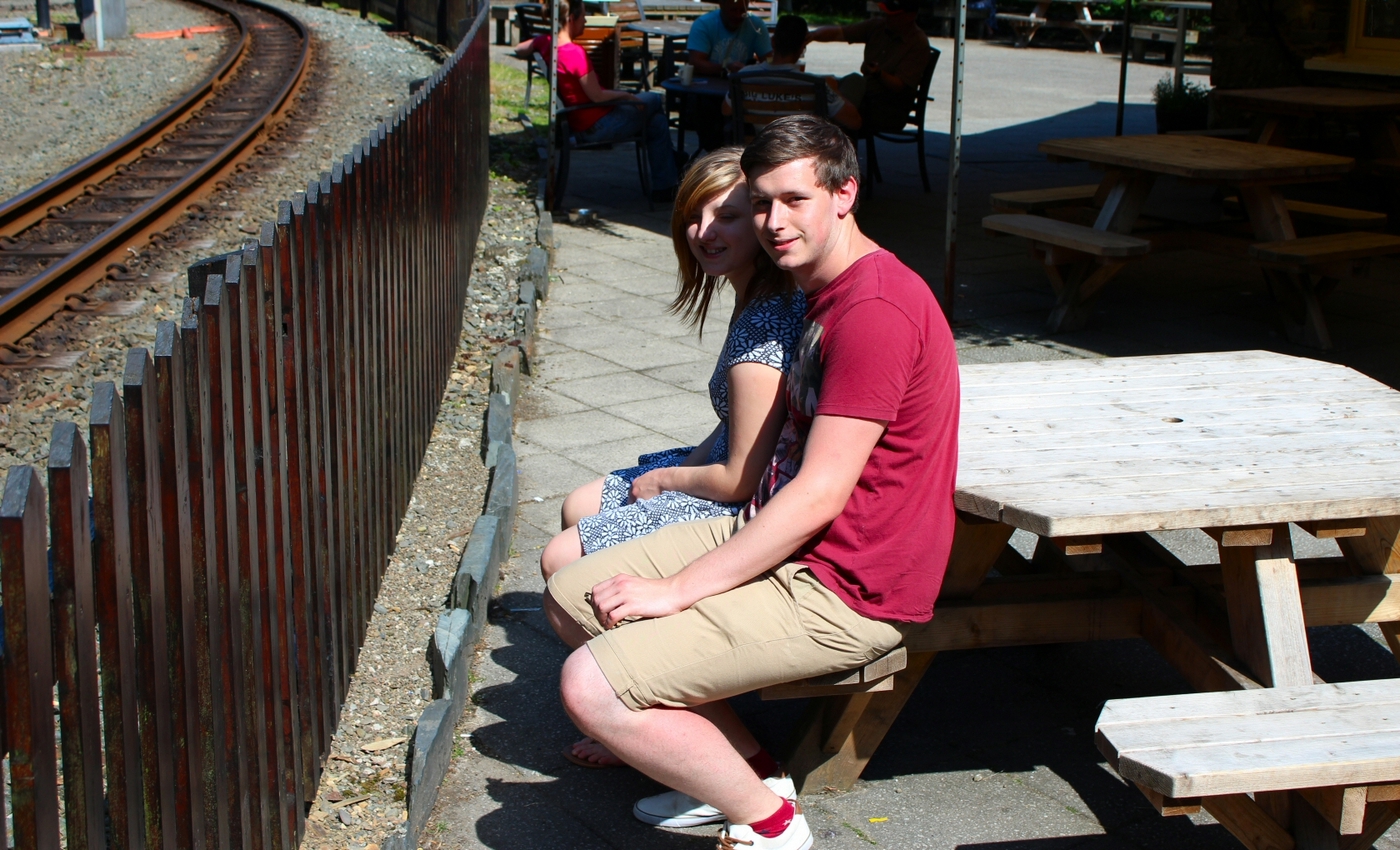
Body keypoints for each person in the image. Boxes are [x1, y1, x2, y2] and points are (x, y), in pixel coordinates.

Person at [544, 115, 959, 849]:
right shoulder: (823, 289)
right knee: (571, 592)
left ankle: (771, 827)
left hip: (846, 583)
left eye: (794, 200)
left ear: (844, 194)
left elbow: (821, 493)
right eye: (762, 202)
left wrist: (679, 589)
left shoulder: (873, 311)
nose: (773, 222)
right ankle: (751, 771)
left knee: (590, 684)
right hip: (790, 538)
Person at [542, 146, 806, 768]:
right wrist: (676, 465)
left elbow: (740, 475)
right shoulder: (754, 294)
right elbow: (737, 432)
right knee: (579, 504)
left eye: (729, 216)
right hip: (729, 465)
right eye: (694, 215)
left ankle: (679, 722)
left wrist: (664, 477)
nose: (704, 232)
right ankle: (642, 697)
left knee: (561, 559)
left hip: (747, 492)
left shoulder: (765, 321)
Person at [514, 0, 678, 201]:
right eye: (583, 16)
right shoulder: (575, 54)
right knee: (654, 99)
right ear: (571, 19)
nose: (586, 21)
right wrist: (626, 95)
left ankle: (667, 181)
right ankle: (671, 166)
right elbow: (597, 96)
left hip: (579, 122)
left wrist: (539, 44)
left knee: (656, 123)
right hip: (597, 126)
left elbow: (519, 49)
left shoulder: (547, 43)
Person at [808, 0, 931, 132]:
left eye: (894, 15)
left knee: (850, 86)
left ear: (910, 16)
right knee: (831, 85)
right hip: (866, 97)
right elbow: (840, 32)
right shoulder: (877, 26)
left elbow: (900, 86)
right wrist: (812, 35)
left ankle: (834, 134)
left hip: (889, 109)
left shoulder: (918, 43)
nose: (888, 18)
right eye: (887, 14)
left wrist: (878, 73)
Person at [724, 15, 862, 132]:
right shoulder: (816, 84)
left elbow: (725, 110)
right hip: (799, 153)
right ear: (803, 47)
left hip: (761, 148)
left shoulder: (744, 77)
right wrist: (835, 90)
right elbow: (854, 122)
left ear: (773, 42)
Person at [685, 0, 773, 151]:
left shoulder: (755, 25)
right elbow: (696, 62)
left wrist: (752, 69)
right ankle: (718, 153)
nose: (738, 15)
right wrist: (725, 68)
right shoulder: (704, 24)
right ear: (721, 5)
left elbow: (770, 60)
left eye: (742, 11)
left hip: (741, 91)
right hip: (709, 90)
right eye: (733, 10)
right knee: (709, 117)